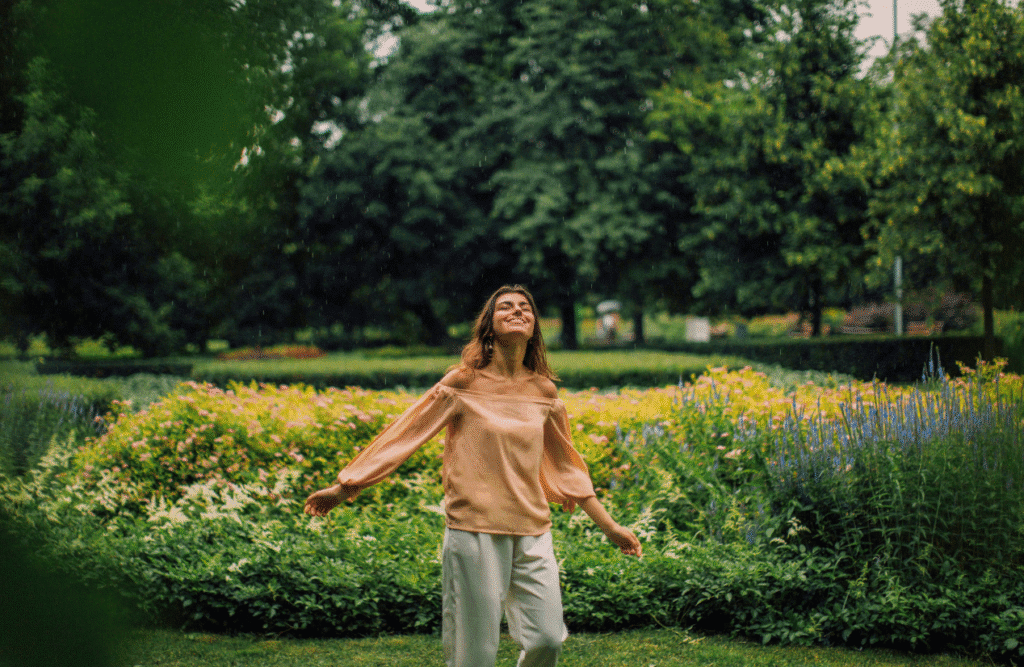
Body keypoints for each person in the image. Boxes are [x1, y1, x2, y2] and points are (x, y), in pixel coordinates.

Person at [303, 285, 642, 667]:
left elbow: (567, 469)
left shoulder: (544, 391)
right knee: (474, 653)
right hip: (473, 529)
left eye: (525, 307)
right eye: (506, 307)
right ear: (489, 326)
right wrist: (345, 487)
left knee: (547, 639)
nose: (517, 311)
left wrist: (610, 527)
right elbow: (405, 434)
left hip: (533, 530)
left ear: (534, 327)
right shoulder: (462, 383)